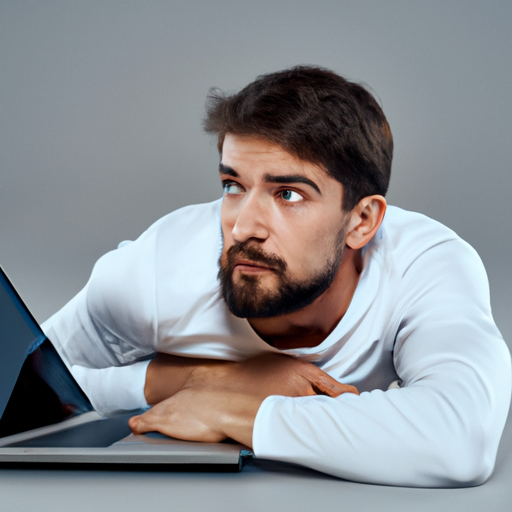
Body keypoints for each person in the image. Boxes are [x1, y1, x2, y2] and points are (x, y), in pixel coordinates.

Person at [42, 66, 511, 487]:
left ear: (362, 221)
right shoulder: (156, 271)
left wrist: (233, 408)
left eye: (287, 194)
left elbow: (460, 435)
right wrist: (185, 380)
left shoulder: (424, 264)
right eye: (233, 186)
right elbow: (20, 392)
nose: (243, 227)